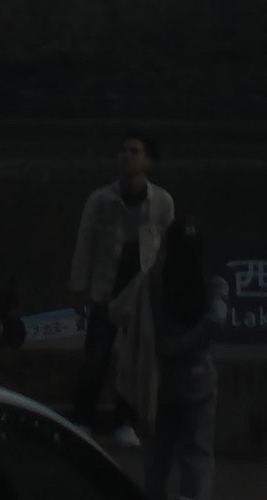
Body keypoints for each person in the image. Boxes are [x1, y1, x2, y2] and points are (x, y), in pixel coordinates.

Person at [71, 134, 174, 438]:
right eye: (123, 150)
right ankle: (82, 419)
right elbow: (85, 243)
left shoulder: (162, 202)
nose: (126, 155)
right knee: (95, 358)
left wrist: (164, 290)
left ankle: (125, 422)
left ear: (148, 161)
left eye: (134, 151)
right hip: (105, 288)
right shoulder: (100, 199)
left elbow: (167, 249)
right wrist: (78, 286)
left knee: (136, 359)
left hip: (141, 291)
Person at [139, 217, 219, 500]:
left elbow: (125, 313)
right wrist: (184, 344)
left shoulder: (153, 281)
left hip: (161, 379)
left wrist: (168, 346)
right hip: (198, 378)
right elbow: (215, 320)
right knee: (197, 452)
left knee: (157, 454)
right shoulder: (210, 282)